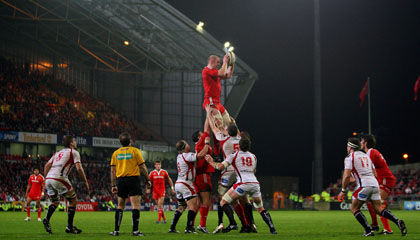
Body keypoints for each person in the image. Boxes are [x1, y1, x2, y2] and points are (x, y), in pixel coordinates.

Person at [205, 135, 277, 234]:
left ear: (239, 146)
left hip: (242, 184)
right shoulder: (253, 156)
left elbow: (221, 167)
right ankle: (272, 229)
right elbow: (254, 170)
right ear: (249, 147)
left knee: (223, 202)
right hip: (255, 184)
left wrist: (211, 162)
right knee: (260, 208)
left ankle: (233, 223)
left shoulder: (234, 155)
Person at [337, 138, 407, 236]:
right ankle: (397, 221)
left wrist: (343, 191)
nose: (347, 148)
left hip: (364, 185)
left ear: (350, 147)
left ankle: (368, 230)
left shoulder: (350, 157)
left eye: (348, 146)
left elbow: (346, 175)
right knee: (378, 209)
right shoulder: (366, 156)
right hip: (374, 185)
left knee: (354, 208)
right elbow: (374, 173)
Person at [207, 109, 254, 233]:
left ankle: (231, 223)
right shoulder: (241, 139)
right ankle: (250, 225)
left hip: (228, 172)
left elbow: (213, 128)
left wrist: (209, 114)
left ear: (227, 131)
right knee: (243, 199)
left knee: (223, 198)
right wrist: (233, 123)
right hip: (241, 172)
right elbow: (236, 132)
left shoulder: (224, 139)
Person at [43, 136, 90, 234]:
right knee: (73, 201)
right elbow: (79, 169)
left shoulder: (57, 153)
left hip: (49, 179)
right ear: (71, 143)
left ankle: (47, 219)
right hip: (59, 178)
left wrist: (45, 179)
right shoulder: (74, 152)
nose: (76, 143)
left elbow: (47, 165)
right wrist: (85, 182)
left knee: (55, 202)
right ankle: (69, 227)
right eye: (74, 141)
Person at [109, 132, 151, 236]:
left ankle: (116, 231)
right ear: (130, 141)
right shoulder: (135, 151)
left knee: (120, 205)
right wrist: (147, 179)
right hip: (133, 179)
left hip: (120, 180)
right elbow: (143, 167)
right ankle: (135, 231)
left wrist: (113, 185)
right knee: (135, 205)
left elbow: (113, 171)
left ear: (120, 142)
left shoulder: (116, 153)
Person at [168, 140, 209, 234]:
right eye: (186, 144)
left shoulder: (179, 156)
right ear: (184, 148)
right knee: (194, 206)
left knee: (181, 206)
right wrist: (206, 144)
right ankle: (189, 228)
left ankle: (172, 227)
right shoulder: (186, 155)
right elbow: (200, 155)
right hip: (186, 183)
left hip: (178, 183)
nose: (188, 144)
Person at [360, 134, 397, 234]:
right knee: (370, 202)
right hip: (381, 180)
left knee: (378, 204)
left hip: (386, 179)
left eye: (361, 141)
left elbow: (368, 169)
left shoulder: (371, 152)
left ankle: (388, 229)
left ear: (366, 143)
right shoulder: (371, 152)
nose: (360, 142)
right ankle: (375, 225)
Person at [191, 117, 214, 233]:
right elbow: (207, 130)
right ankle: (202, 225)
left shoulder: (198, 146)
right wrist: (208, 116)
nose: (204, 135)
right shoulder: (201, 143)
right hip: (203, 175)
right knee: (206, 202)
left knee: (199, 203)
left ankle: (191, 225)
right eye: (202, 135)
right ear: (199, 138)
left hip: (198, 176)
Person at [202, 54, 234, 130]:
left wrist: (231, 64)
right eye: (218, 62)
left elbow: (227, 75)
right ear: (212, 61)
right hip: (210, 102)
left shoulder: (214, 72)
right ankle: (212, 140)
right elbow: (222, 73)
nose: (219, 64)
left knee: (229, 124)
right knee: (220, 126)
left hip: (217, 102)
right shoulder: (206, 70)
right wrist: (225, 62)